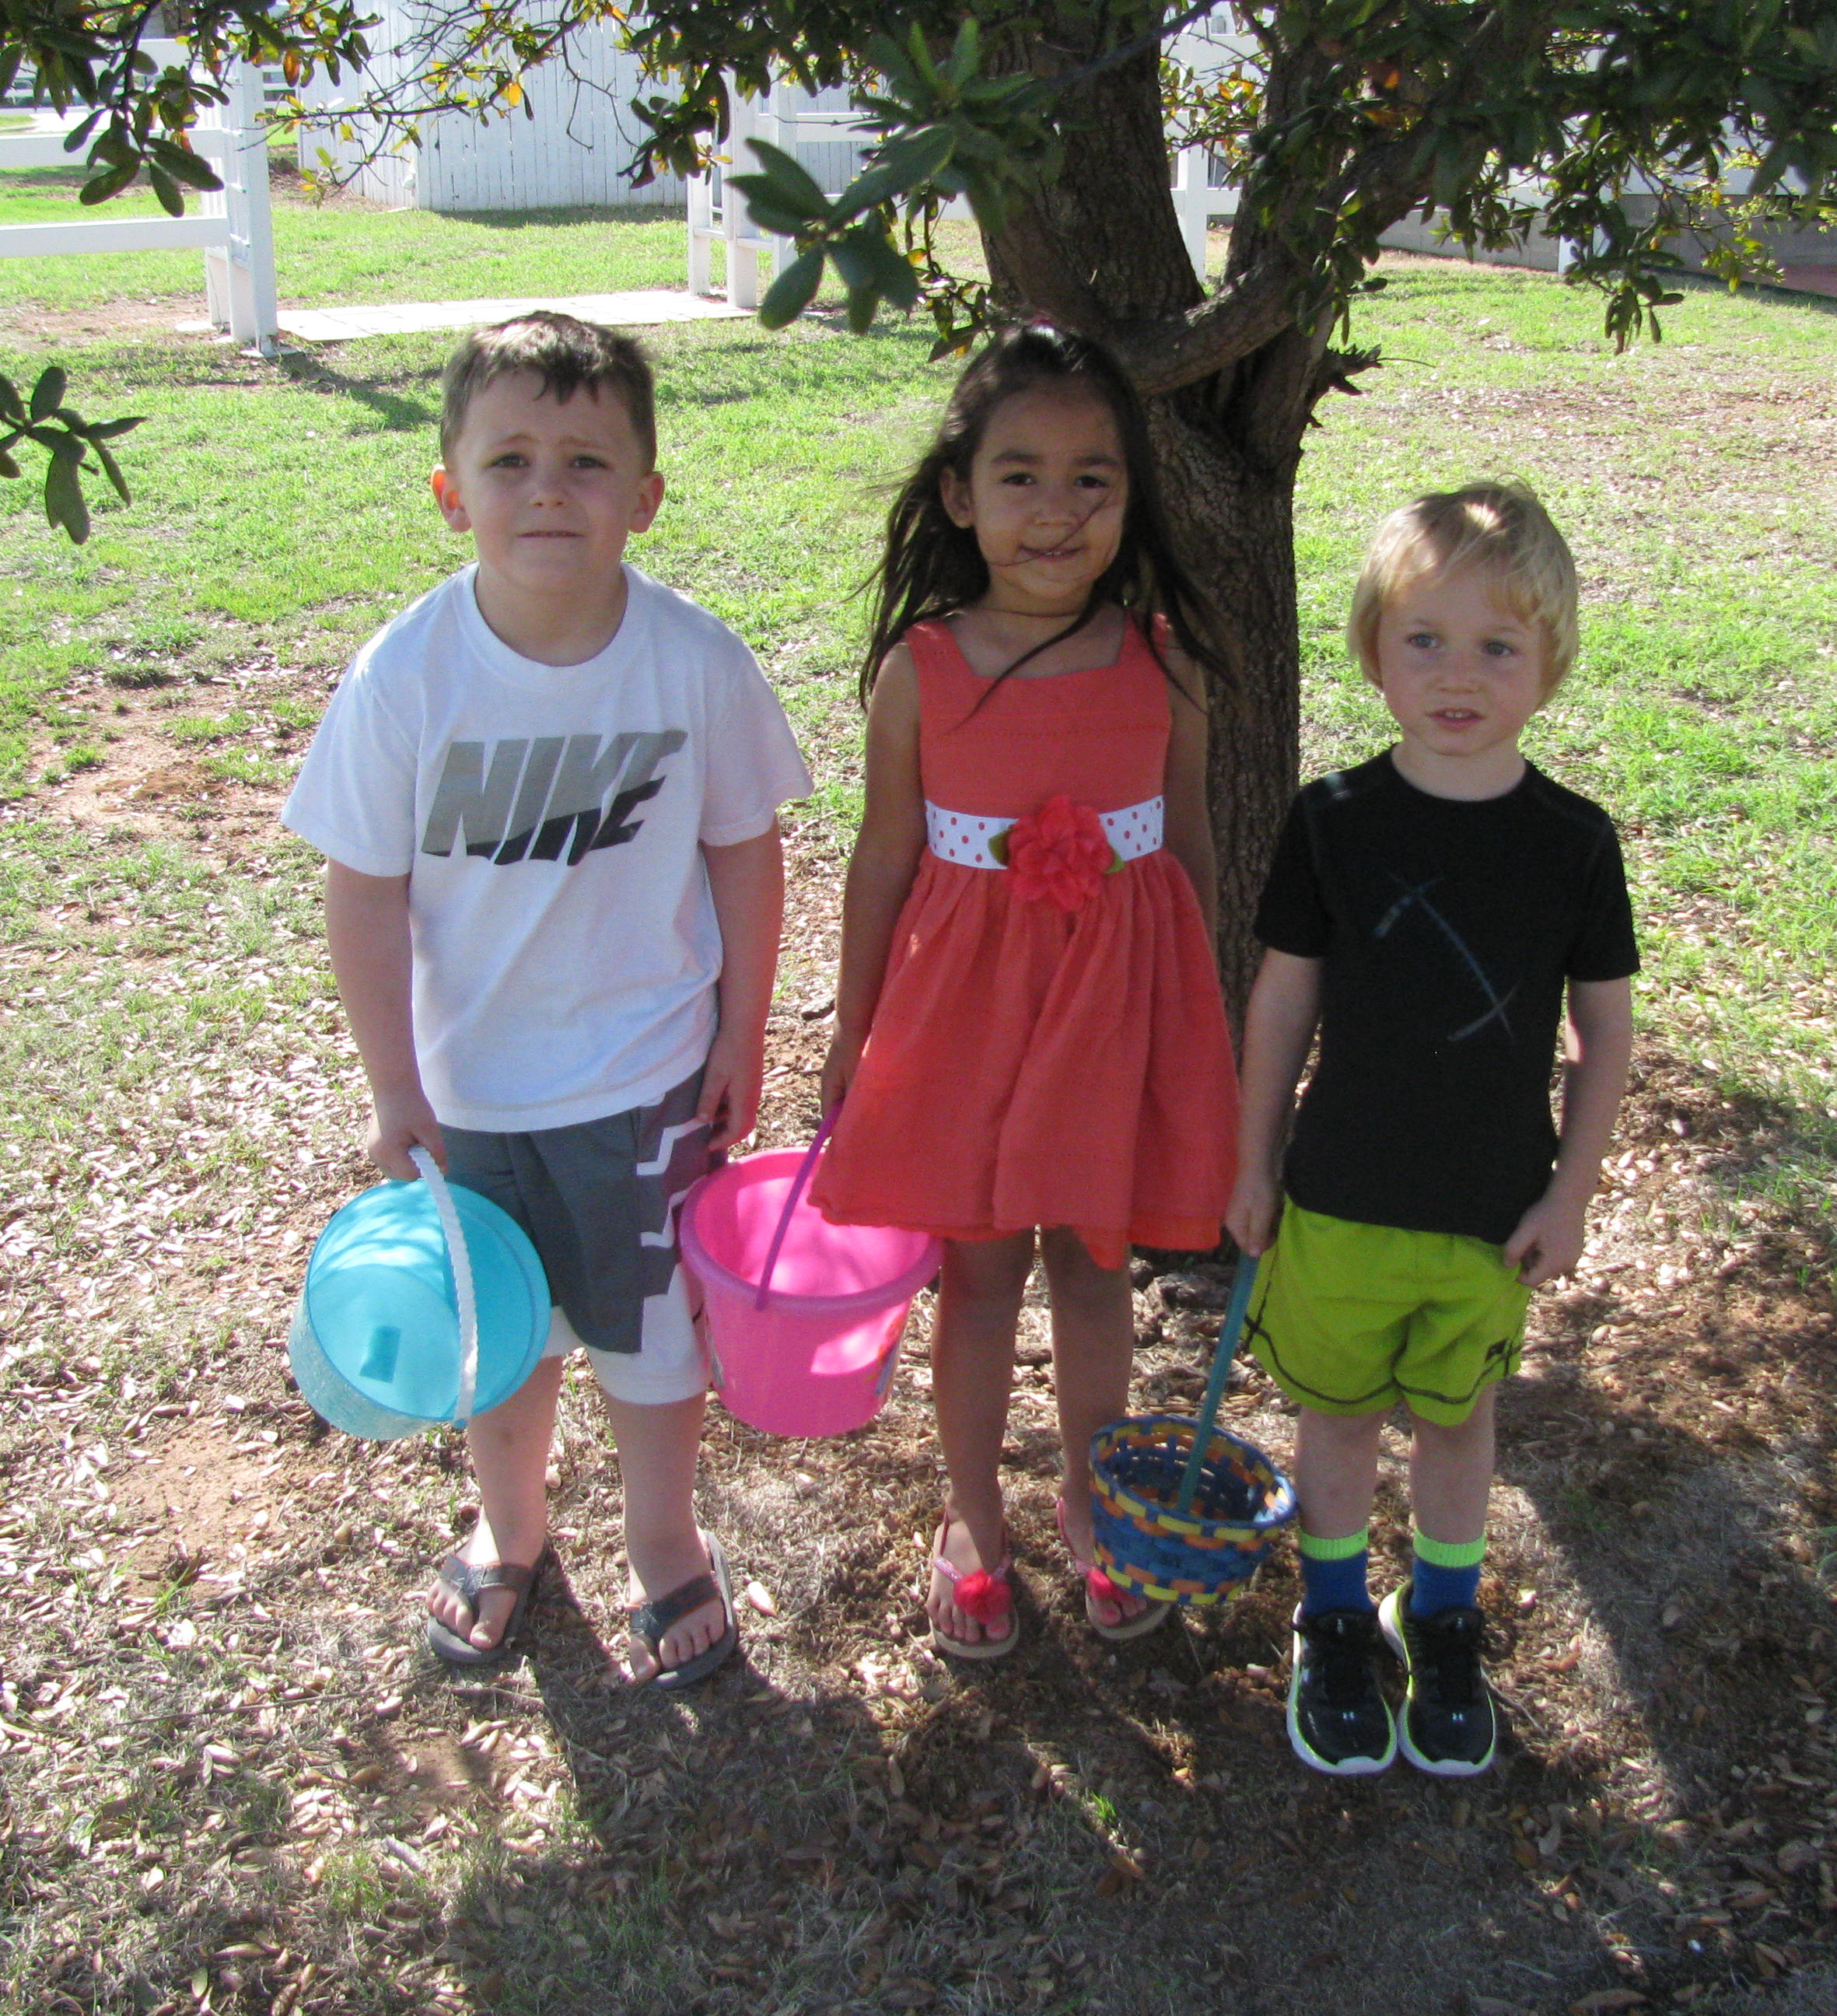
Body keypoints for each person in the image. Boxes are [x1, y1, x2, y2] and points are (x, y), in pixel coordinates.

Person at [282, 313, 810, 1682]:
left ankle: (663, 1538)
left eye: (586, 461)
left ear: (646, 495)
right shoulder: (407, 677)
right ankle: (510, 1527)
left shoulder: (696, 663)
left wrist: (743, 1030)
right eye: (509, 460)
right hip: (474, 1094)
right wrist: (395, 1086)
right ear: (450, 491)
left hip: (647, 1075)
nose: (548, 492)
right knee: (502, 1334)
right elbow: (363, 889)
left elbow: (745, 849)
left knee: (649, 1338)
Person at [813, 324, 1240, 1658]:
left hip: (1111, 1021)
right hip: (966, 1021)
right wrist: (854, 1028)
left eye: (1091, 480)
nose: (1057, 510)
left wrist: (1198, 1028)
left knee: (1096, 1270)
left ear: (1131, 497)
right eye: (1020, 476)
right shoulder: (922, 671)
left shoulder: (1164, 664)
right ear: (959, 494)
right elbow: (885, 859)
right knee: (982, 1275)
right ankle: (974, 1518)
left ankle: (1095, 1502)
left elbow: (1188, 847)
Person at [1225, 483, 1638, 1776]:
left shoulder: (1574, 843)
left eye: (1498, 646)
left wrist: (1570, 1194)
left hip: (1488, 1211)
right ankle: (1335, 1616)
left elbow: (1604, 1033)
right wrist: (1252, 1160)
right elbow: (1283, 999)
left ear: (1550, 663)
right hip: (1341, 1196)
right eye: (1425, 640)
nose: (1459, 676)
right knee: (1339, 1417)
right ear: (1374, 651)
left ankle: (1444, 1618)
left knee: (1460, 1422)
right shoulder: (1332, 821)